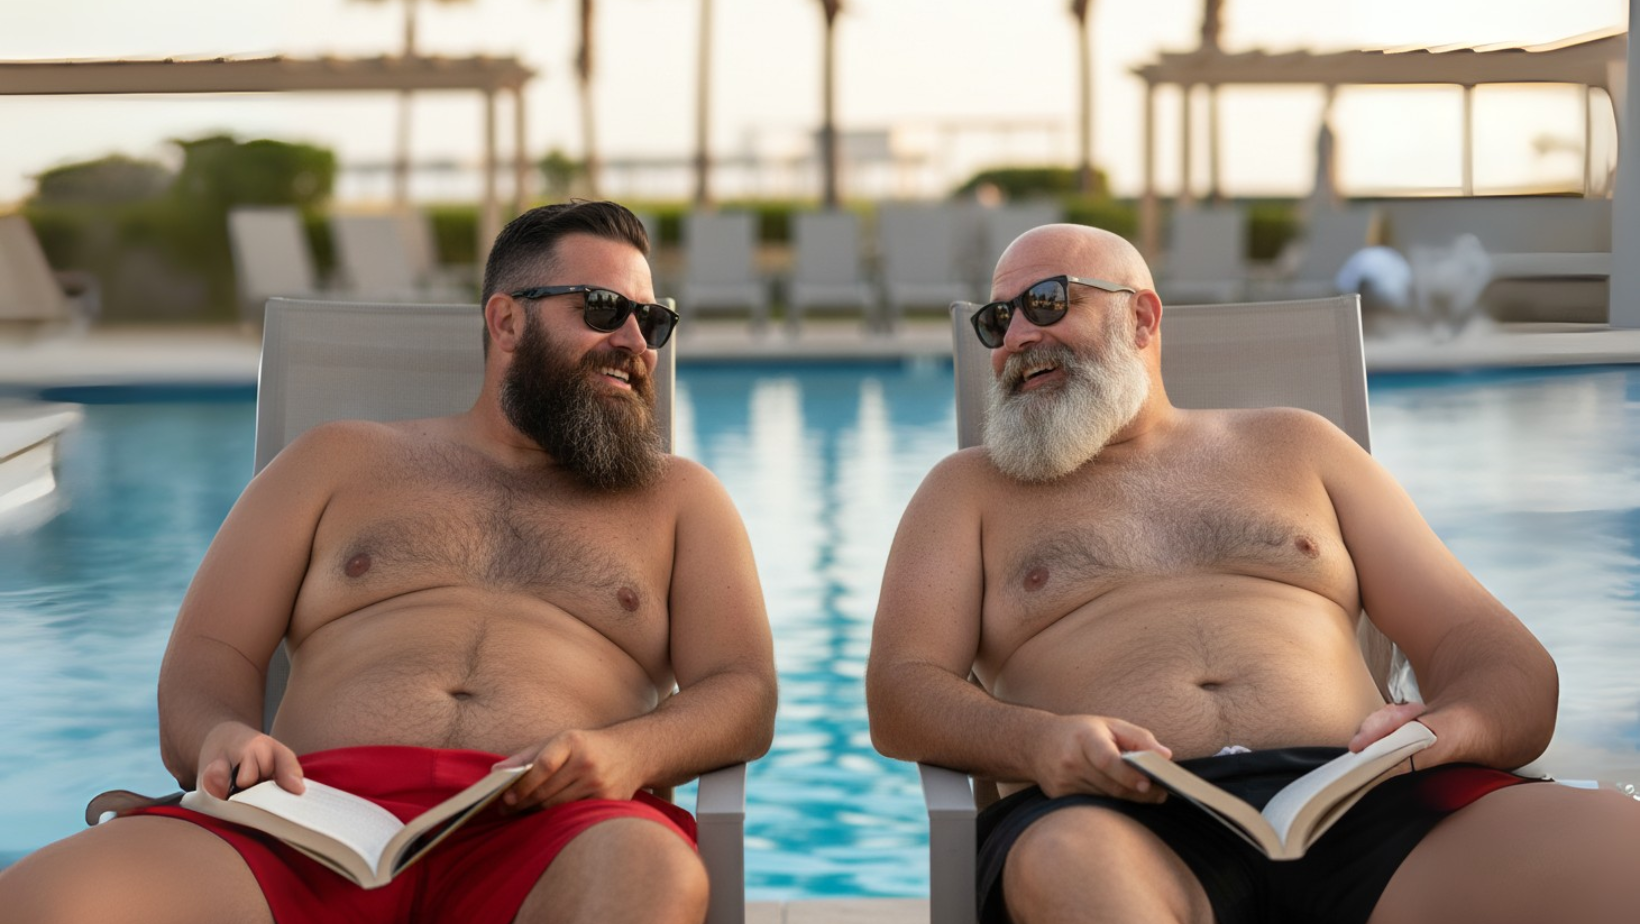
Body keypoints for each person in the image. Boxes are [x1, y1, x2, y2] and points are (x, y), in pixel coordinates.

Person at [0, 200, 778, 924]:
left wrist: (628, 752)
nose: (636, 343)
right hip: (301, 821)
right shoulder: (339, 459)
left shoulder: (679, 499)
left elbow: (742, 691)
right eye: (603, 310)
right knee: (41, 899)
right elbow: (212, 653)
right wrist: (219, 737)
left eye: (653, 320)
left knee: (650, 877)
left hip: (550, 825)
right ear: (506, 321)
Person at [865, 223, 1640, 924]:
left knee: (1618, 843)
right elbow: (901, 690)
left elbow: (1500, 659)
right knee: (1074, 873)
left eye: (1045, 302)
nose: (1017, 338)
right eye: (997, 322)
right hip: (1117, 817)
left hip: (1368, 803)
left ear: (1142, 317)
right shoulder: (966, 491)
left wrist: (1453, 730)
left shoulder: (1299, 447)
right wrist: (1037, 744)